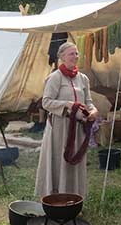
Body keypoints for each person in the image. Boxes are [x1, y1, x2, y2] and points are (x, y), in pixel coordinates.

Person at [35, 42, 98, 198]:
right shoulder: (55, 78)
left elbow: (88, 101)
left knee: (75, 162)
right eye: (71, 54)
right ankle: (55, 196)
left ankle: (74, 197)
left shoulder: (83, 79)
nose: (75, 57)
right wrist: (67, 105)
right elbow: (46, 102)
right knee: (58, 161)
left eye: (77, 53)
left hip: (78, 128)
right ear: (62, 57)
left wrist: (93, 111)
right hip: (60, 127)